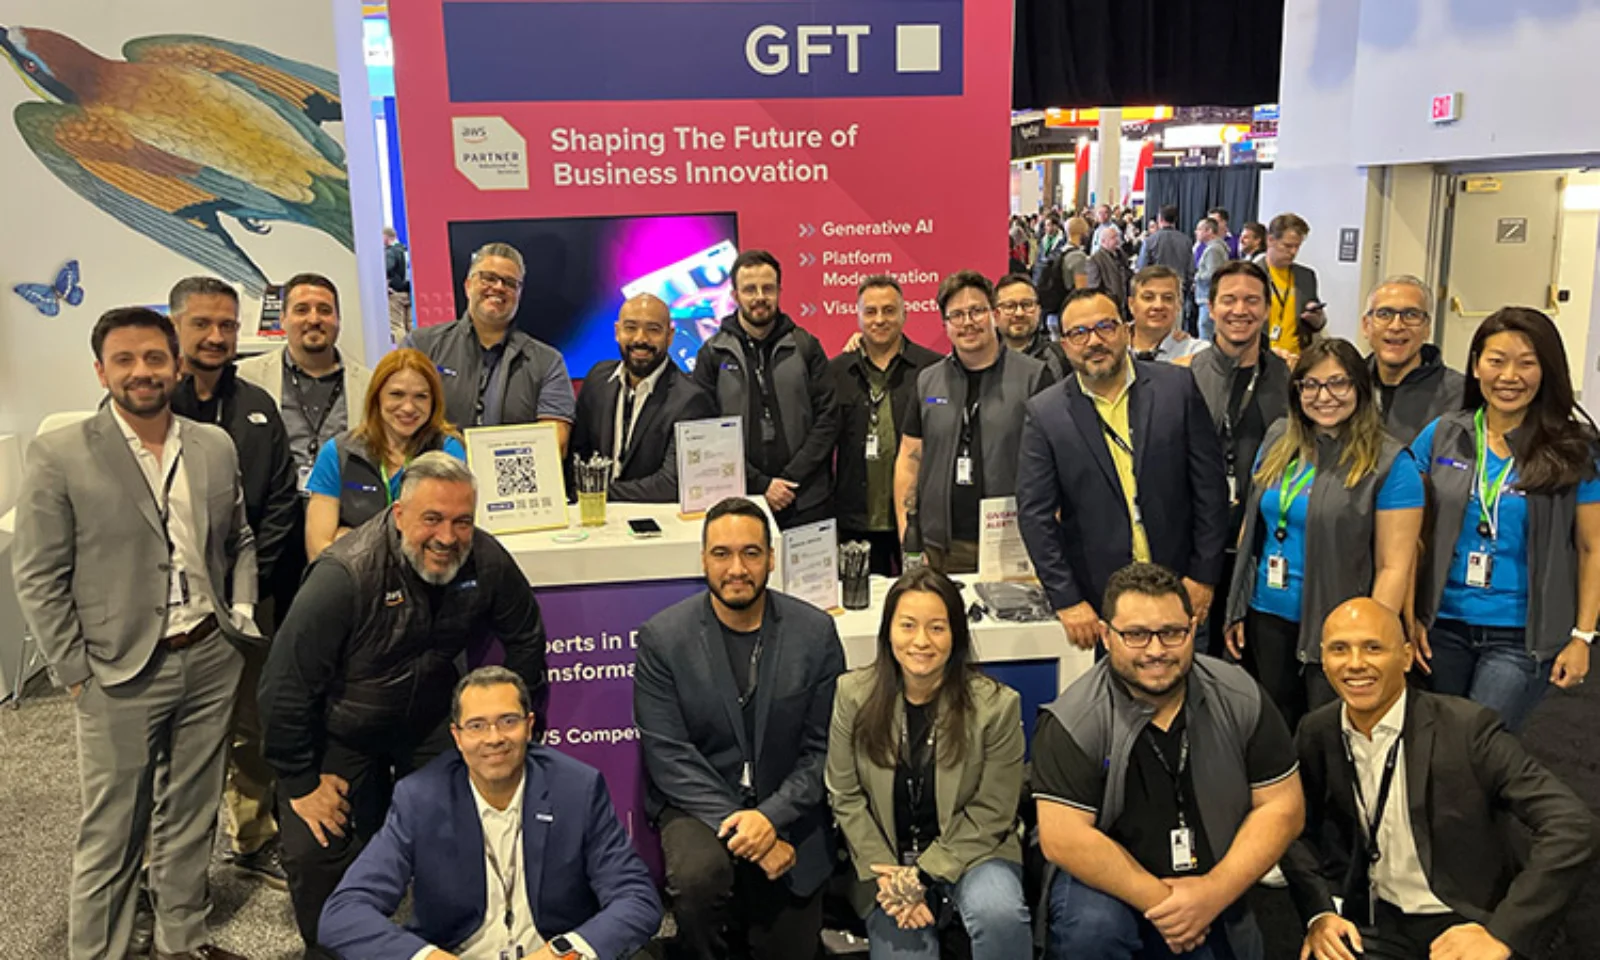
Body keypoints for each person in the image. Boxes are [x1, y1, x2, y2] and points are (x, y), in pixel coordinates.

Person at [13, 307, 260, 960]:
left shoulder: (212, 446)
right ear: (101, 370)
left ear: (176, 365)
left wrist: (239, 615)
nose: (141, 372)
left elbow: (239, 540)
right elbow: (38, 573)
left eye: (154, 358)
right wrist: (74, 673)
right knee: (113, 830)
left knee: (191, 816)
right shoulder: (61, 453)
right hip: (116, 673)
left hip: (208, 657)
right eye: (124, 360)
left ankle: (182, 943)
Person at [259, 452, 550, 957]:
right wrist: (301, 783)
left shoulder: (484, 557)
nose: (447, 536)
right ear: (398, 516)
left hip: (430, 720)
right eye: (431, 519)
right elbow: (282, 688)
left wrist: (510, 722)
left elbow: (526, 636)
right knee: (318, 850)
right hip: (342, 728)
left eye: (462, 521)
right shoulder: (343, 574)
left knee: (465, 827)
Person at [1284, 598, 1596, 960]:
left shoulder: (1467, 728)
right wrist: (1319, 912)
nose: (1355, 664)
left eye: (1373, 648)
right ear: (1323, 658)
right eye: (1340, 649)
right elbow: (1290, 826)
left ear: (1405, 656)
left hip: (1465, 918)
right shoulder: (1316, 730)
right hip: (1372, 919)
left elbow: (1573, 825)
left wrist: (1503, 932)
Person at [1034, 563, 1304, 960]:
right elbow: (1063, 837)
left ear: (1193, 629)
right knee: (1093, 932)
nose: (1156, 650)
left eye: (1171, 633)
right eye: (1137, 635)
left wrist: (1213, 892)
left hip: (1210, 878)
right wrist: (1169, 905)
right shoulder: (1072, 719)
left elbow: (1284, 807)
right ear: (1107, 637)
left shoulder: (1240, 695)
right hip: (1108, 885)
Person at [318, 666, 663, 960]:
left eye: (507, 721)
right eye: (477, 725)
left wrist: (564, 952)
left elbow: (636, 898)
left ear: (529, 726)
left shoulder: (578, 788)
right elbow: (343, 913)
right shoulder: (419, 798)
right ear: (457, 736)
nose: (493, 738)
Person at [633, 497, 846, 960]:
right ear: (704, 559)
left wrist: (769, 818)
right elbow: (669, 755)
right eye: (721, 553)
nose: (737, 568)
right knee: (698, 877)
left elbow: (824, 750)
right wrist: (744, 828)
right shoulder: (663, 639)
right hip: (698, 806)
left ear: (772, 558)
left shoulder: (815, 635)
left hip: (788, 811)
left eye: (751, 553)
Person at [1411, 307, 1600, 733]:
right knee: (1433, 741)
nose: (1509, 376)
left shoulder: (1574, 449)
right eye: (1496, 360)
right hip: (1441, 625)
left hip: (1520, 636)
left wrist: (1582, 637)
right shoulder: (1443, 434)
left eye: (1526, 363)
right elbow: (1409, 536)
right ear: (1476, 364)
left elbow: (1593, 548)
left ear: (1547, 371)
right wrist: (1410, 619)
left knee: (1475, 742)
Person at [825, 568, 1030, 960]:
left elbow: (993, 811)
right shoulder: (852, 695)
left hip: (976, 854)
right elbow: (844, 796)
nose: (921, 641)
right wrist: (893, 880)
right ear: (888, 632)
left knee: (999, 914)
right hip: (884, 863)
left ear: (956, 635)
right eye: (907, 626)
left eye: (937, 628)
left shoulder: (997, 706)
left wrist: (921, 875)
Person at [168, 276, 299, 886]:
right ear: (176, 327)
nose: (217, 336)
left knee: (252, 724)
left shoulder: (256, 404)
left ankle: (252, 836)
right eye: (203, 324)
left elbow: (277, 504)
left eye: (227, 324)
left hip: (251, 597)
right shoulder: (149, 403)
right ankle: (171, 864)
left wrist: (251, 584)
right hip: (167, 606)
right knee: (177, 737)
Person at [1222, 339, 1425, 732]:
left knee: (1330, 735)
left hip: (1340, 627)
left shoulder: (1389, 462)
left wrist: (1369, 642)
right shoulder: (1280, 438)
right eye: (1310, 385)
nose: (1323, 396)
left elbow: (1394, 566)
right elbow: (1254, 528)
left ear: (1360, 389)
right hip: (1269, 615)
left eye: (1338, 383)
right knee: (1275, 727)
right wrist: (1239, 605)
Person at [1016, 289, 1229, 650]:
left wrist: (1203, 576)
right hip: (1099, 605)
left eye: (1105, 327)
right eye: (1079, 333)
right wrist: (1066, 599)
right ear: (1065, 345)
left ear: (1126, 330)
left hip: (1180, 590)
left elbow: (1210, 488)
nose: (1094, 341)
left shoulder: (1175, 389)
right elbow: (1035, 516)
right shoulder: (1045, 413)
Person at [895, 271, 1054, 574]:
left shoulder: (1035, 378)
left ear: (994, 314)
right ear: (945, 325)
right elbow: (909, 458)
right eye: (956, 315)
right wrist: (908, 535)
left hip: (1011, 542)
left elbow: (1055, 464)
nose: (968, 322)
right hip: (938, 546)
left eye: (977, 311)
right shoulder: (927, 382)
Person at [693, 249, 839, 529]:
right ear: (735, 296)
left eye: (768, 288)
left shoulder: (806, 346)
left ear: (779, 291)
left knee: (810, 575)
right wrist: (761, 484)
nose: (760, 296)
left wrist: (789, 480)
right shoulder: (713, 354)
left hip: (806, 500)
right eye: (749, 289)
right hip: (738, 500)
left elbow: (828, 419)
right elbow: (705, 430)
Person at [405, 242, 577, 449]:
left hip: (512, 478)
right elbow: (400, 420)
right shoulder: (421, 346)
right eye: (488, 278)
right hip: (435, 476)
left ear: (519, 294)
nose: (498, 287)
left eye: (510, 283)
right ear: (468, 285)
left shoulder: (548, 362)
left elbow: (554, 443)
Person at [304, 348, 467, 561]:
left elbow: (446, 540)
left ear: (433, 402)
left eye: (421, 396)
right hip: (353, 587)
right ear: (377, 396)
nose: (408, 407)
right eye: (396, 394)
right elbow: (319, 551)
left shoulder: (447, 451)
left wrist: (350, 538)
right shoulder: (337, 453)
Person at [830, 276, 942, 575]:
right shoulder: (837, 371)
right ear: (858, 316)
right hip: (855, 516)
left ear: (905, 313)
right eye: (871, 312)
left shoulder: (932, 369)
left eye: (889, 311)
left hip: (916, 518)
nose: (880, 319)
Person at [569, 293, 717, 502]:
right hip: (592, 520)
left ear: (670, 336)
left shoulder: (693, 399)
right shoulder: (597, 379)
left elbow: (671, 484)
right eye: (630, 328)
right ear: (617, 332)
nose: (640, 339)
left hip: (657, 526)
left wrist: (595, 493)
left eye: (653, 330)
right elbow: (578, 453)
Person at [236, 273, 374, 492]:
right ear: (282, 319)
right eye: (301, 310)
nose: (314, 319)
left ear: (338, 320)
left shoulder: (370, 384)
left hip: (346, 511)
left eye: (325, 310)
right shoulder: (246, 377)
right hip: (274, 512)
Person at [1360, 275, 1464, 444]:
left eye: (1411, 315)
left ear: (1427, 328)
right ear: (1366, 325)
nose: (1396, 326)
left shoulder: (1458, 396)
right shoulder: (1348, 385)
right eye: (1384, 314)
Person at [1253, 213, 1324, 357]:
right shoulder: (1251, 274)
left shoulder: (1306, 276)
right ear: (1270, 240)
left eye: (1297, 246)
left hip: (1297, 358)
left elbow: (1318, 324)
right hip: (1261, 357)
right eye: (1287, 246)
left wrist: (1317, 319)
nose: (1293, 252)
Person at [995, 272, 1068, 378]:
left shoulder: (1060, 358)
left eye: (1027, 305)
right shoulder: (982, 359)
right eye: (1010, 306)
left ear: (1039, 310)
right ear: (995, 314)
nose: (1019, 313)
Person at [1128, 266, 1207, 363]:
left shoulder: (1198, 354)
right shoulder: (1111, 348)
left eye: (1168, 298)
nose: (1158, 306)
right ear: (1131, 304)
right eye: (1148, 298)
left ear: (1178, 305)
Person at [1135, 205, 1193, 285]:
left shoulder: (1149, 241)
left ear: (1160, 219)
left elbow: (1142, 268)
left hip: (1157, 286)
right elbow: (1190, 270)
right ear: (1176, 219)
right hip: (1179, 287)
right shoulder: (1187, 241)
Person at [1193, 218, 1230, 342]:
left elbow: (1213, 274)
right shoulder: (1216, 247)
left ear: (1209, 231)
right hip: (1209, 297)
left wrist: (1196, 276)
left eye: (1199, 229)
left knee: (1205, 334)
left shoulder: (1213, 249)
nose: (1196, 232)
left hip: (1207, 297)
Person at [1087, 225, 1132, 318]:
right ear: (1103, 241)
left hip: (1125, 305)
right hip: (1109, 306)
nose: (1117, 240)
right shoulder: (1095, 259)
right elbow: (1094, 287)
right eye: (1113, 238)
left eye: (1117, 237)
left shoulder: (1121, 255)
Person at [384, 226, 412, 345]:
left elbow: (386, 268)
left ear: (386, 237)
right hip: (409, 293)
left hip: (395, 294)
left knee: (397, 326)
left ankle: (404, 352)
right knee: (410, 325)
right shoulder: (406, 250)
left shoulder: (391, 252)